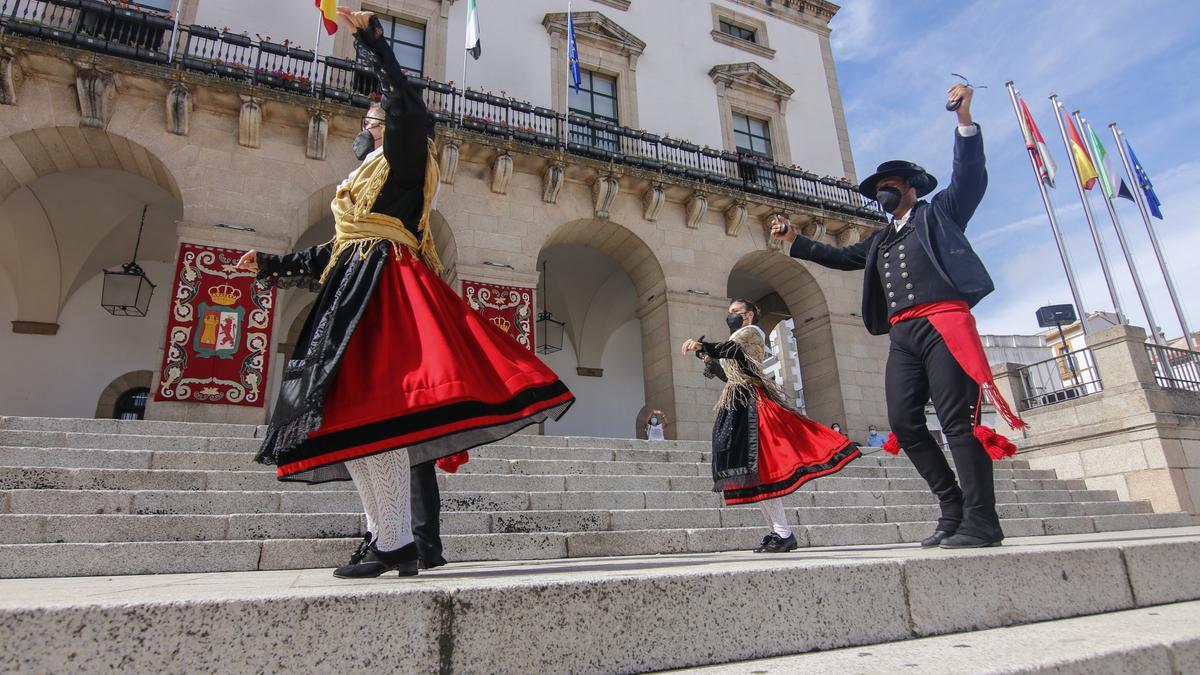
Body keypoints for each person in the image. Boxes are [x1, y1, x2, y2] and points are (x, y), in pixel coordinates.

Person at [237, 8, 573, 578]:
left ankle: (394, 540)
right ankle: (383, 536)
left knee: (376, 412)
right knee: (349, 417)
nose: (370, 115)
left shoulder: (408, 157)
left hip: (382, 283)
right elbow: (332, 251)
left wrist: (375, 42)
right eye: (372, 113)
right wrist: (272, 264)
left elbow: (411, 106)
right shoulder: (363, 184)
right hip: (350, 281)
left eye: (377, 111)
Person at [770, 83, 1026, 550]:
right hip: (904, 334)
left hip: (945, 324)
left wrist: (964, 122)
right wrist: (794, 240)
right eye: (878, 189)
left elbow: (969, 179)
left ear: (910, 188)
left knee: (957, 424)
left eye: (890, 186)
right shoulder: (881, 239)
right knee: (905, 423)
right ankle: (951, 508)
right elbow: (842, 256)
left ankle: (982, 520)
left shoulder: (939, 214)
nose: (883, 192)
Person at [682, 299, 860, 553]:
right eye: (729, 312)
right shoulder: (736, 338)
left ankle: (783, 533)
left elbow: (731, 351)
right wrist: (708, 359)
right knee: (753, 473)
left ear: (749, 314)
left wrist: (705, 345)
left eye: (735, 312)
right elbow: (731, 374)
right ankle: (778, 532)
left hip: (753, 406)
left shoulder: (751, 333)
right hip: (736, 404)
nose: (730, 315)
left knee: (761, 469)